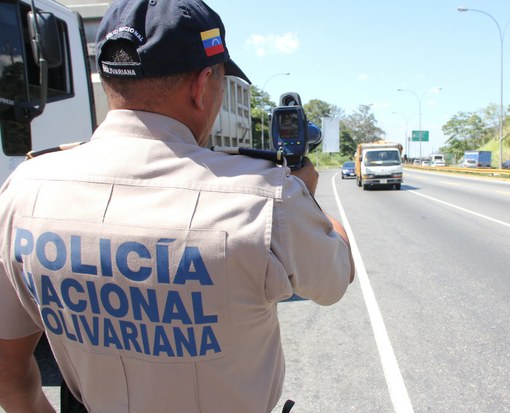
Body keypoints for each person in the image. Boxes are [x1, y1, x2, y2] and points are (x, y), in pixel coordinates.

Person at [0, 0, 354, 412]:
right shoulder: (267, 196)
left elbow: (9, 378)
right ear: (202, 84)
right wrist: (308, 196)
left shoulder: (23, 190)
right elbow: (333, 281)